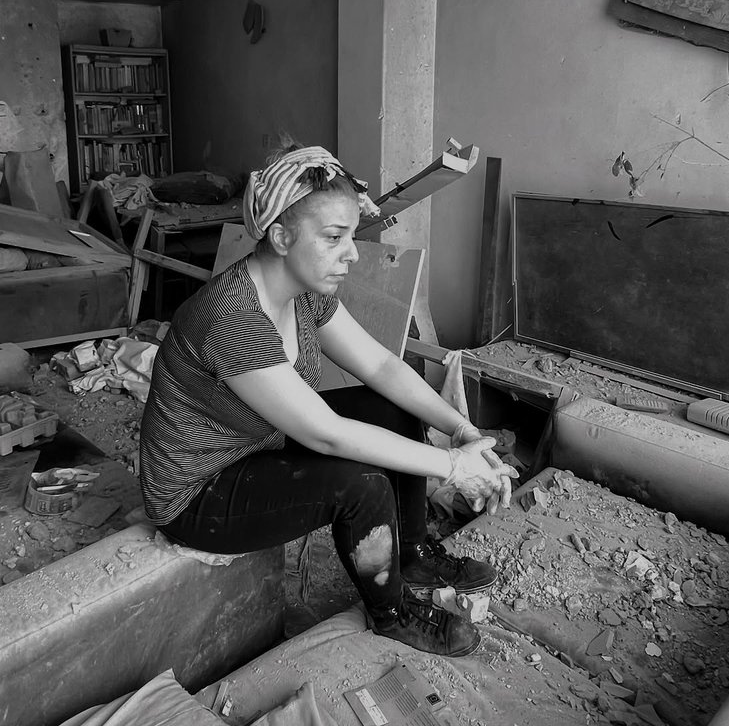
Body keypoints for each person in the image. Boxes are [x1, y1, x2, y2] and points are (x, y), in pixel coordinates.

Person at [139, 144, 517, 658]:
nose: (353, 253)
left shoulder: (306, 292)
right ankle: (393, 613)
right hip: (200, 490)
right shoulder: (231, 315)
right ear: (280, 236)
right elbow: (326, 433)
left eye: (351, 236)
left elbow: (381, 366)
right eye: (335, 237)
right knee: (358, 483)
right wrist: (451, 467)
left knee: (396, 409)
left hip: (259, 443)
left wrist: (460, 430)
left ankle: (411, 551)